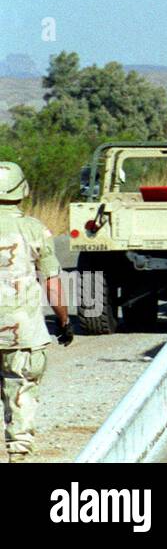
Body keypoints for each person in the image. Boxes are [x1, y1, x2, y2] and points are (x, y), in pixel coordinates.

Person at [0, 162, 72, 460]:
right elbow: (52, 282)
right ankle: (18, 452)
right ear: (22, 191)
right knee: (22, 390)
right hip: (23, 331)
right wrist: (64, 321)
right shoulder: (34, 230)